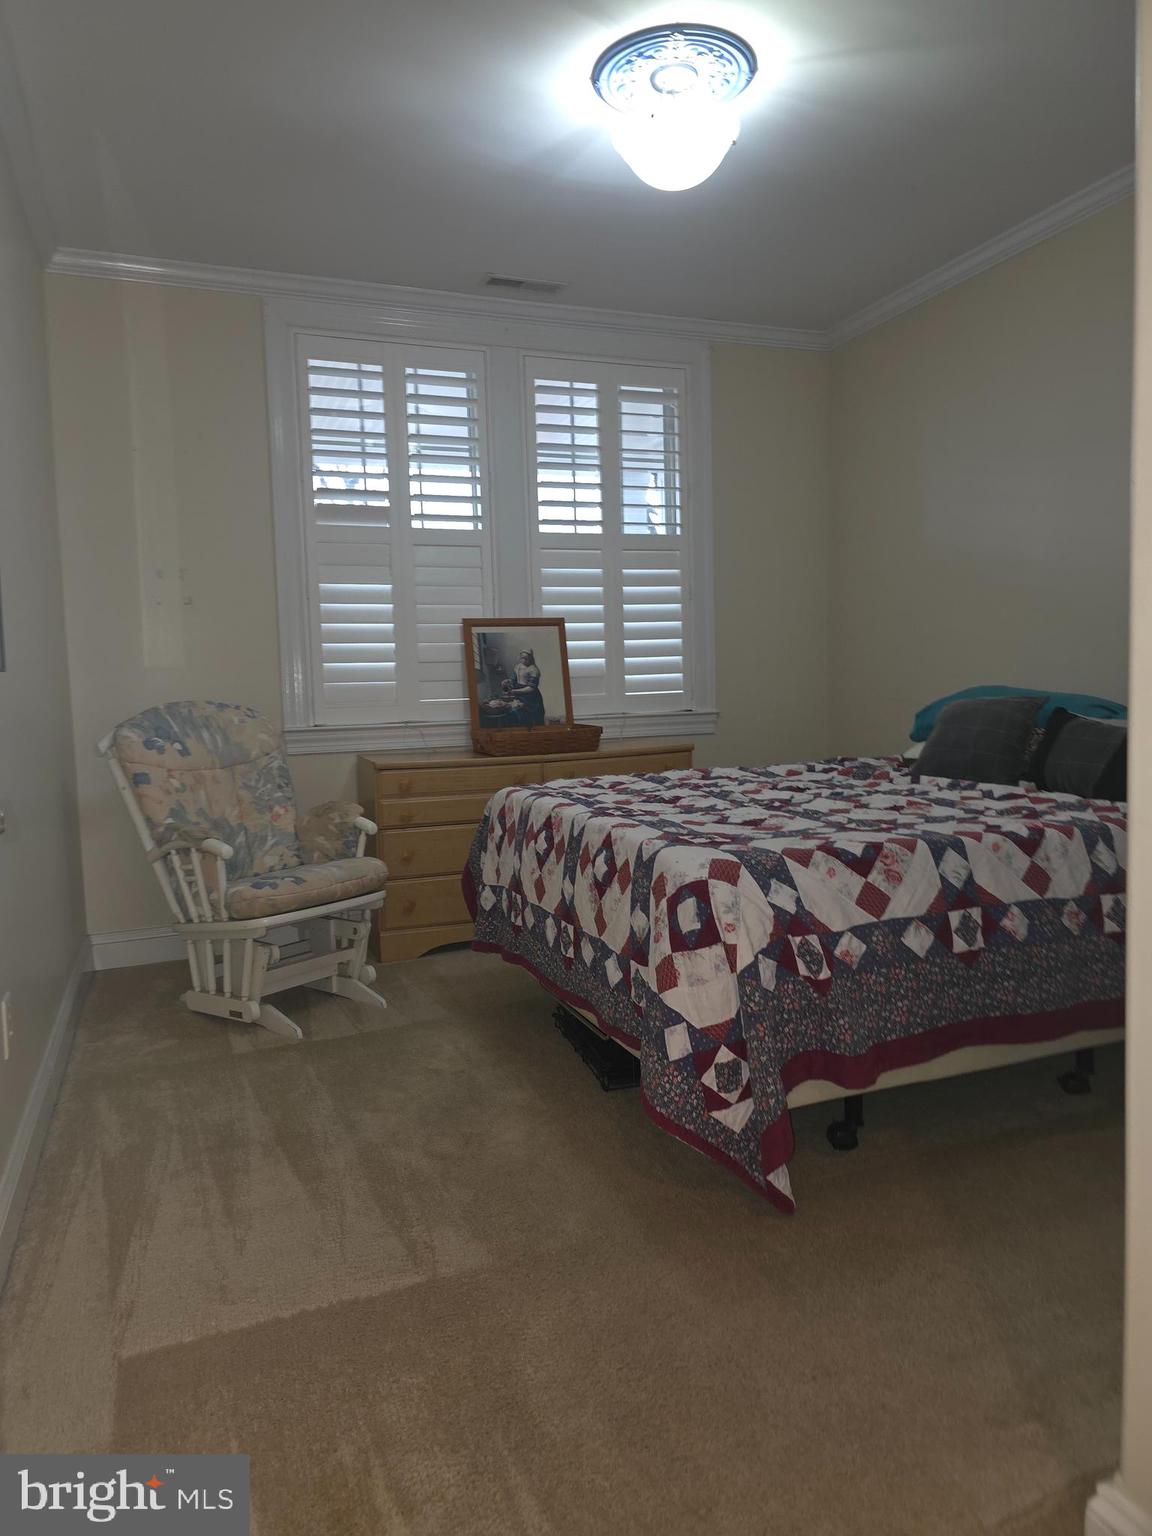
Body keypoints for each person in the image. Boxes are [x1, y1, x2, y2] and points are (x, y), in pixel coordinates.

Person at [503, 649, 546, 725]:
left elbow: (531, 688)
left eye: (526, 658)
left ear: (530, 658)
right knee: (515, 714)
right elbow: (513, 679)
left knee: (532, 718)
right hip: (519, 696)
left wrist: (515, 691)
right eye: (522, 658)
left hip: (531, 697)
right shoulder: (518, 667)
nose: (524, 660)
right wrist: (508, 681)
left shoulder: (534, 669)